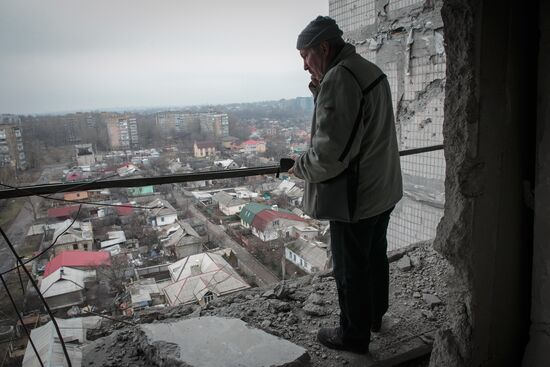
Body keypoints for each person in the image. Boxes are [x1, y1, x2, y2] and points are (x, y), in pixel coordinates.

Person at [288, 16, 403, 354]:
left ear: (324, 47)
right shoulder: (367, 69)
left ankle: (353, 335)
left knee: (350, 267)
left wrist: (299, 168)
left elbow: (329, 154)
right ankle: (374, 317)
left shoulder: (341, 78)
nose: (304, 65)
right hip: (382, 187)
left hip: (357, 197)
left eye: (306, 55)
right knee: (373, 256)